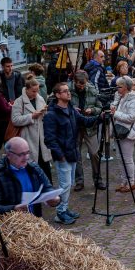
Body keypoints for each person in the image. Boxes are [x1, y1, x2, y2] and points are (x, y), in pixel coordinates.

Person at [43, 83, 99, 224]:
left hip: (72, 153)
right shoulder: (51, 115)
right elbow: (49, 139)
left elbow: (84, 121)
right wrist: (60, 156)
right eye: (65, 91)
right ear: (57, 95)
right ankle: (60, 212)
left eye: (68, 91)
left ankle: (65, 208)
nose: (69, 93)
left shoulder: (71, 109)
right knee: (65, 184)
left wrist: (100, 118)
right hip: (63, 156)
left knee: (69, 183)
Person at [0, 137, 60, 216]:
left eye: (27, 152)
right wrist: (13, 208)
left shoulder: (33, 167)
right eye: (21, 154)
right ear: (9, 155)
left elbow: (47, 187)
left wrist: (53, 198)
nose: (26, 157)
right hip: (12, 224)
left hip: (35, 220)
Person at [11, 78, 52, 183]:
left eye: (37, 90)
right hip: (28, 138)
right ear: (27, 90)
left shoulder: (40, 99)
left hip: (41, 138)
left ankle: (48, 190)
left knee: (45, 166)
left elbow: (45, 117)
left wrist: (44, 113)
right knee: (31, 166)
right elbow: (15, 120)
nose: (36, 93)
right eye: (34, 91)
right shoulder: (19, 102)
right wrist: (31, 116)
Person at [110, 76, 135, 193]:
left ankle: (131, 182)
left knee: (127, 159)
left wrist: (115, 113)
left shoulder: (133, 100)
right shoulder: (119, 97)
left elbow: (131, 117)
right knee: (119, 158)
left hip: (128, 133)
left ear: (126, 87)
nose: (117, 88)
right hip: (118, 131)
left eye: (120, 86)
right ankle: (123, 182)